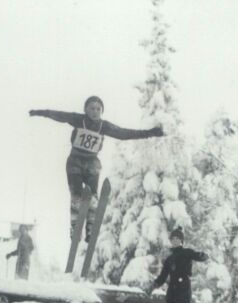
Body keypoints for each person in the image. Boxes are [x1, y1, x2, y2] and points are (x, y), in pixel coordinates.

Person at [29, 96, 164, 241]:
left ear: (102, 111)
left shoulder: (103, 126)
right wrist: (39, 112)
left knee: (93, 196)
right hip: (75, 161)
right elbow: (59, 115)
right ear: (86, 110)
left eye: (98, 109)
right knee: (76, 195)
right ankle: (75, 227)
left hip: (92, 162)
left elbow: (124, 133)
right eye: (92, 108)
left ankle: (90, 227)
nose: (95, 112)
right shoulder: (78, 119)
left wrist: (151, 133)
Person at [149, 228, 208, 303]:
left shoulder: (186, 252)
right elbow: (163, 276)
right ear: (171, 241)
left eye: (177, 238)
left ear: (181, 240)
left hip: (183, 287)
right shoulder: (169, 259)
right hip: (172, 289)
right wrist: (155, 284)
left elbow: (197, 256)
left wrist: (202, 256)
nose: (175, 241)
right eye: (173, 239)